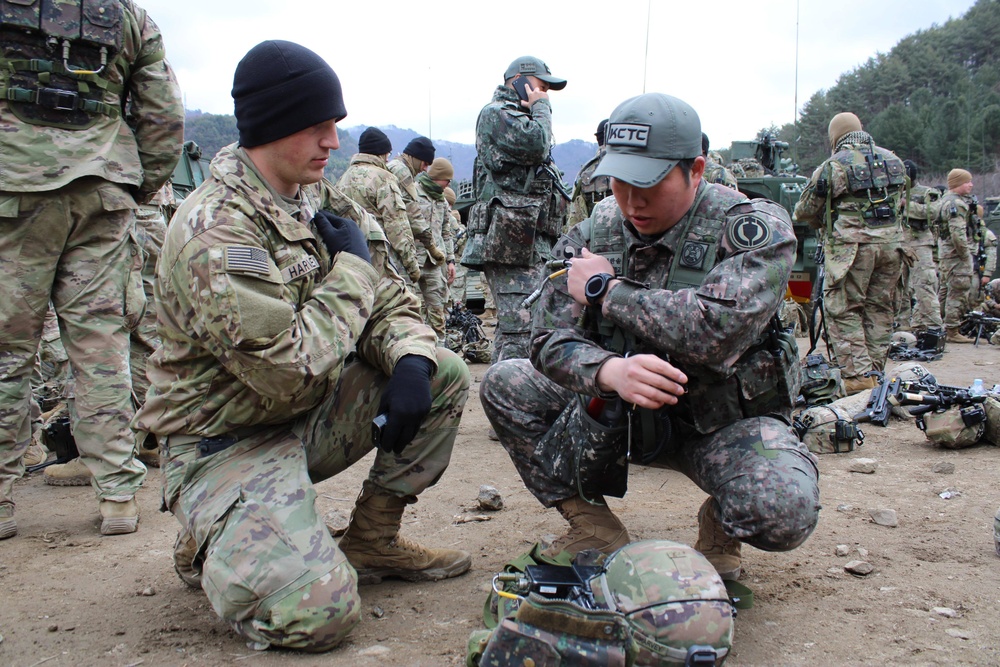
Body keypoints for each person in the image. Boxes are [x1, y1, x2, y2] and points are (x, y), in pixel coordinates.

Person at [133, 40, 472, 651]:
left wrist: (413, 358)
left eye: (335, 127)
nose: (333, 143)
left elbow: (387, 297)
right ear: (273, 126)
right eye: (318, 127)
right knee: (318, 614)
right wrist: (350, 272)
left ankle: (372, 538)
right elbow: (288, 369)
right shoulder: (217, 231)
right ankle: (218, 533)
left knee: (442, 370)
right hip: (224, 441)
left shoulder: (316, 196)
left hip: (299, 420)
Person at [480, 93, 819, 582]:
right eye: (619, 181)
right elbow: (546, 340)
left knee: (782, 509)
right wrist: (607, 371)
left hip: (718, 423)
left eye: (650, 184)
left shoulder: (751, 229)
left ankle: (722, 524)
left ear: (695, 170)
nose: (632, 201)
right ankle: (592, 526)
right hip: (618, 417)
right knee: (505, 381)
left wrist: (606, 291)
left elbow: (715, 331)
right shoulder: (594, 232)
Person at [0, 0, 184, 539]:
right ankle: (118, 497)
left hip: (12, 187)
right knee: (101, 347)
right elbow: (163, 117)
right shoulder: (128, 16)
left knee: (7, 352)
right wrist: (133, 186)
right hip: (101, 190)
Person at [462, 55, 570, 362]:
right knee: (520, 331)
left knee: (520, 326)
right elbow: (537, 144)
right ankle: (510, 400)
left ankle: (507, 391)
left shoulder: (521, 117)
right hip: (510, 242)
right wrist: (541, 108)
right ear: (519, 81)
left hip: (527, 241)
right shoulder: (498, 114)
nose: (545, 93)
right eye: (541, 85)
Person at [793, 112, 906, 394]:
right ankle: (875, 372)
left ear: (836, 135)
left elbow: (805, 209)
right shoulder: (894, 161)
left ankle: (858, 376)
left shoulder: (835, 165)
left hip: (851, 249)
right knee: (880, 308)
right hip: (893, 247)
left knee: (844, 309)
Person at [338, 127, 431, 286]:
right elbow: (397, 226)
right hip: (380, 261)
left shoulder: (342, 179)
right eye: (387, 155)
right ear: (381, 153)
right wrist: (412, 266)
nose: (388, 160)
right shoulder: (384, 178)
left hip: (348, 259)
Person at [898, 160, 943, 334]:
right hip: (897, 244)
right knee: (897, 288)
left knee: (925, 284)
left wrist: (906, 205)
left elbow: (933, 212)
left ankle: (932, 326)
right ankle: (901, 326)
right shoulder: (891, 193)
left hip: (919, 243)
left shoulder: (928, 193)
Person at [414, 158, 456, 341]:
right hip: (413, 261)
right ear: (438, 176)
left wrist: (451, 261)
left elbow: (446, 233)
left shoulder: (442, 201)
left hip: (435, 263)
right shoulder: (413, 193)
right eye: (447, 179)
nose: (448, 183)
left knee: (437, 309)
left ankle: (440, 350)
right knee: (412, 309)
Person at [936, 169, 979, 343]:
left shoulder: (943, 200)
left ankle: (939, 325)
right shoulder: (957, 204)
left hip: (945, 253)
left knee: (945, 289)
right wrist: (965, 254)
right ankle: (952, 329)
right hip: (956, 255)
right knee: (958, 289)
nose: (971, 184)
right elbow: (957, 233)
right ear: (958, 183)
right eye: (967, 181)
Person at [566, 119, 612, 230]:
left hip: (595, 239)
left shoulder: (584, 173)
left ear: (598, 139)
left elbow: (575, 220)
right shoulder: (629, 166)